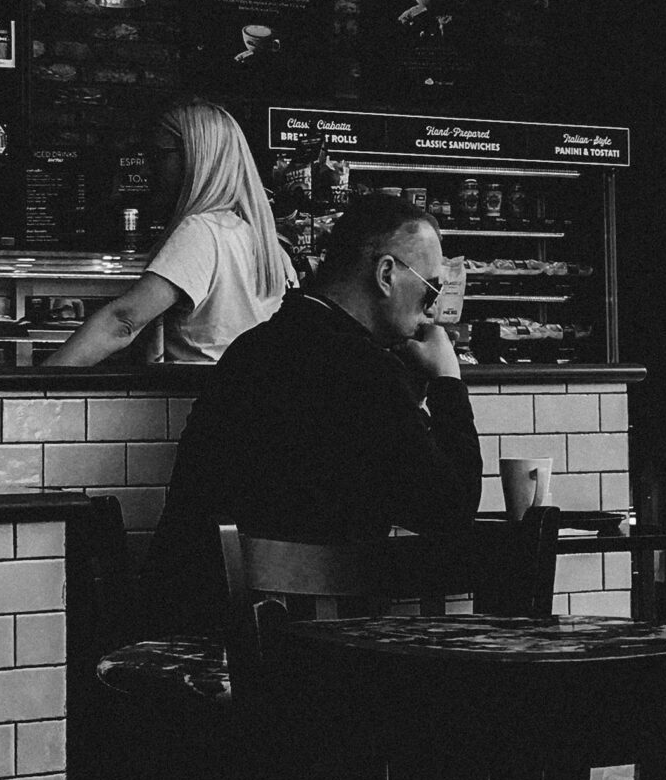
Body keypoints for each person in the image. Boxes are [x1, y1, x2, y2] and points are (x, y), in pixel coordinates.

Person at [144, 190, 483, 633]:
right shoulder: (365, 372)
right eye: (432, 287)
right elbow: (452, 510)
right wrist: (447, 381)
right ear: (385, 275)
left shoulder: (252, 350)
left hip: (187, 625)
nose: (433, 308)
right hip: (304, 658)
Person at [51, 97, 292, 368]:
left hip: (196, 396)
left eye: (157, 155)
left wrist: (39, 385)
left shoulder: (203, 231)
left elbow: (123, 322)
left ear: (195, 156)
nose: (145, 170)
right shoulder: (268, 244)